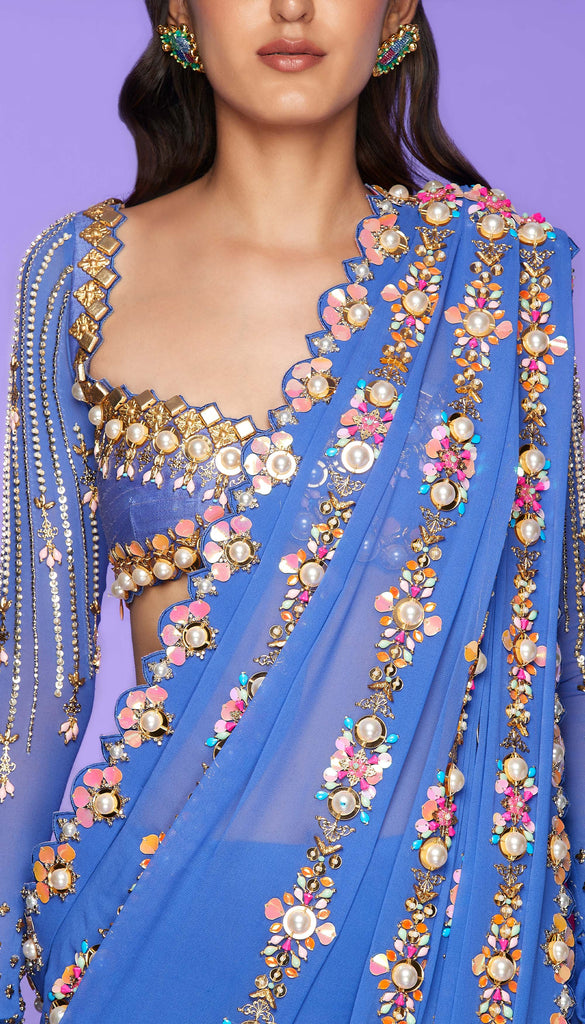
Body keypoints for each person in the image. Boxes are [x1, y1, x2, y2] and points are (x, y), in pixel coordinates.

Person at [0, 1, 583, 1022]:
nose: (291, 6)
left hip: (432, 945)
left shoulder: (502, 288)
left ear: (396, 12)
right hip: (147, 935)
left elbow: (562, 665)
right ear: (179, 12)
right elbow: (37, 685)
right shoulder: (82, 275)